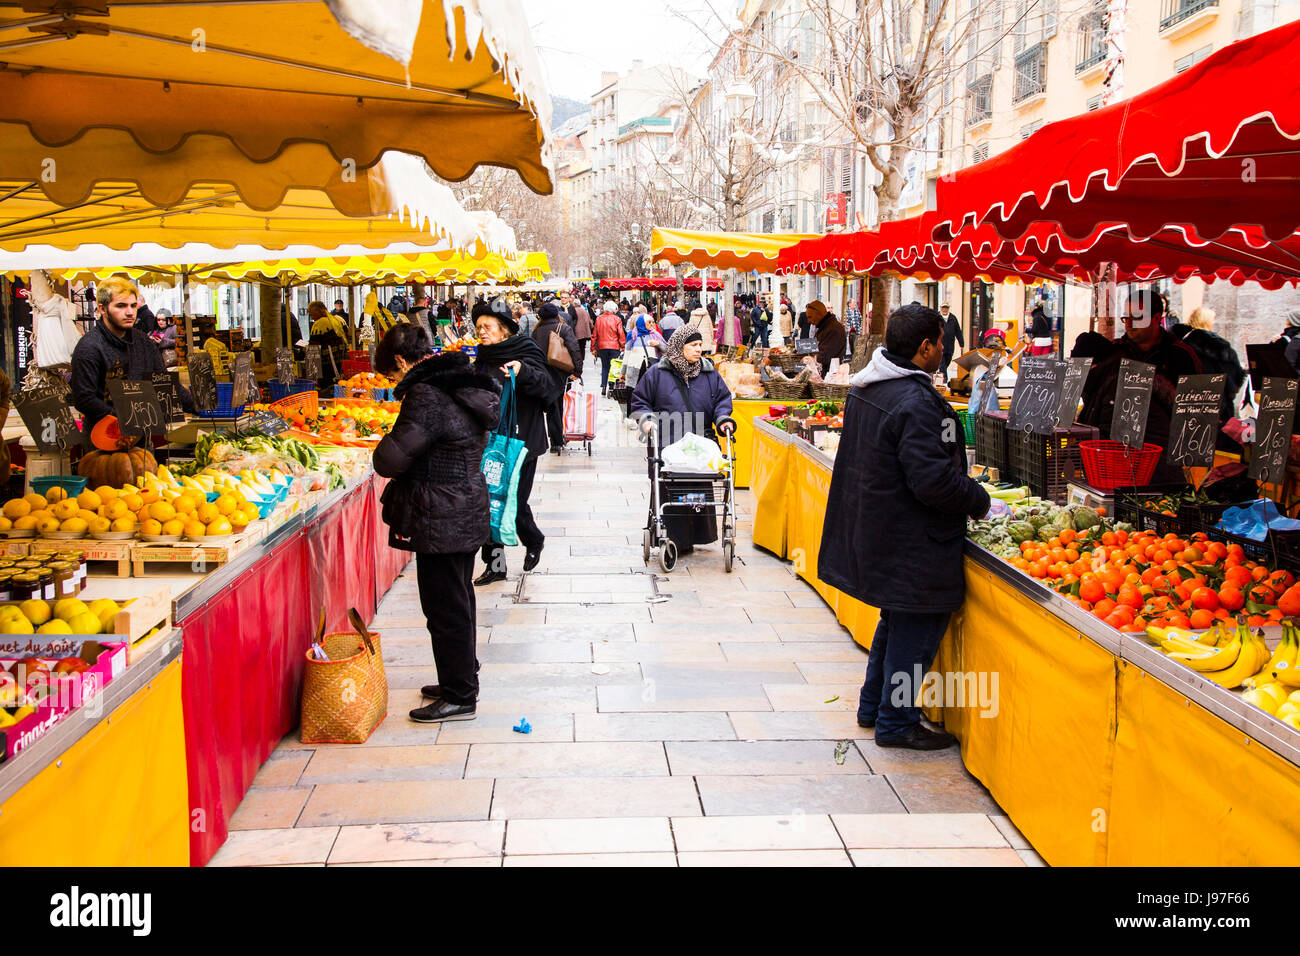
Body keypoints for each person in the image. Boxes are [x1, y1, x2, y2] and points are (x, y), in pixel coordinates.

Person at [819, 303, 993, 750]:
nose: (943, 350)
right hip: (912, 540)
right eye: (940, 342)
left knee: (895, 621)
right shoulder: (914, 402)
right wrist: (978, 499)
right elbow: (933, 482)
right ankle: (895, 724)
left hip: (884, 532)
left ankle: (873, 706)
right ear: (924, 348)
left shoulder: (869, 387)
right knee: (913, 630)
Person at [372, 323, 501, 724]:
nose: (394, 382)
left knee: (445, 605)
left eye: (390, 375)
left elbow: (390, 460)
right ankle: (460, 676)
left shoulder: (426, 395)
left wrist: (386, 444)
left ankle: (461, 695)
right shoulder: (456, 383)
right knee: (458, 597)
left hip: (441, 511)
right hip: (463, 503)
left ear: (399, 361)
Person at [471, 299, 558, 584]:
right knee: (488, 504)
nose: (481, 332)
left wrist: (524, 372)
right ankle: (496, 565)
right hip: (489, 443)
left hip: (522, 442)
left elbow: (548, 388)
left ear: (505, 329)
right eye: (479, 327)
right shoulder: (482, 357)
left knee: (515, 503)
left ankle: (533, 539)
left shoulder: (526, 350)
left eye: (487, 327)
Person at [1079, 288, 1203, 484]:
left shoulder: (1180, 356)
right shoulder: (1116, 352)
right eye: (1125, 318)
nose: (1128, 324)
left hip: (1162, 462)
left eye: (1136, 317)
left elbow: (1196, 411)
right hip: (1117, 457)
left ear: (1156, 318)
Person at [630, 326, 736, 555]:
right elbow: (640, 402)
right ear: (679, 346)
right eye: (693, 346)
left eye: (700, 345)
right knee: (670, 486)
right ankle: (671, 536)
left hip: (700, 444)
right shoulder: (657, 373)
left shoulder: (709, 372)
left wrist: (723, 419)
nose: (699, 350)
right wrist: (646, 420)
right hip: (668, 443)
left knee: (698, 485)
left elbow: (722, 400)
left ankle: (699, 534)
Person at [71, 277, 192, 431]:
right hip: (105, 440)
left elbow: (164, 382)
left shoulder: (143, 342)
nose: (129, 312)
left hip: (142, 439)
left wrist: (200, 406)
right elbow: (84, 399)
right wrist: (125, 418)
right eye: (121, 306)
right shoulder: (89, 347)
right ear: (102, 309)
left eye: (133, 306)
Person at [1171, 306, 1247, 423]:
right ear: (1207, 322)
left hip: (1186, 407)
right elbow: (1234, 380)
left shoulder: (1180, 345)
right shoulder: (1219, 346)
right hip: (1218, 407)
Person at [532, 300, 581, 453]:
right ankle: (556, 440)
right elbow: (574, 349)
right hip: (559, 372)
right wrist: (577, 371)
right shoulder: (564, 328)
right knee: (556, 406)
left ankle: (554, 438)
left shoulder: (536, 331)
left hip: (541, 372)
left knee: (550, 406)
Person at [308, 300, 347, 390]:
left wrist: (313, 376)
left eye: (312, 314)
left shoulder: (319, 324)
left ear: (319, 311)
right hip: (342, 362)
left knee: (327, 390)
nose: (312, 317)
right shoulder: (339, 319)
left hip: (327, 365)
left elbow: (313, 349)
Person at [593, 301, 626, 397]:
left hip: (602, 346)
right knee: (613, 367)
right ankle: (611, 386)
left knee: (605, 366)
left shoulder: (599, 319)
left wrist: (593, 348)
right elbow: (621, 334)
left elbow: (594, 335)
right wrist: (623, 346)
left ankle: (603, 386)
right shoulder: (617, 319)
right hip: (614, 346)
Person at [806, 300, 847, 374]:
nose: (808, 321)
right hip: (826, 372)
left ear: (819, 314)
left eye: (810, 317)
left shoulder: (833, 329)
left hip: (830, 375)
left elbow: (824, 357)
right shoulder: (825, 327)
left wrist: (812, 358)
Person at [563, 291, 594, 362]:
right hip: (584, 333)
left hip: (576, 333)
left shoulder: (573, 310)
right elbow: (589, 321)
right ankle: (582, 359)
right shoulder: (584, 311)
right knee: (582, 347)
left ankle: (578, 359)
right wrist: (591, 328)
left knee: (576, 347)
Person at [939, 303, 963, 380]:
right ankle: (944, 379)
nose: (944, 309)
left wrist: (961, 343)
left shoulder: (953, 318)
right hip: (940, 344)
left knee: (947, 361)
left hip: (950, 345)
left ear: (948, 308)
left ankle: (941, 374)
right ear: (940, 308)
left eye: (946, 308)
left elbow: (958, 331)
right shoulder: (937, 317)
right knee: (942, 363)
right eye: (943, 308)